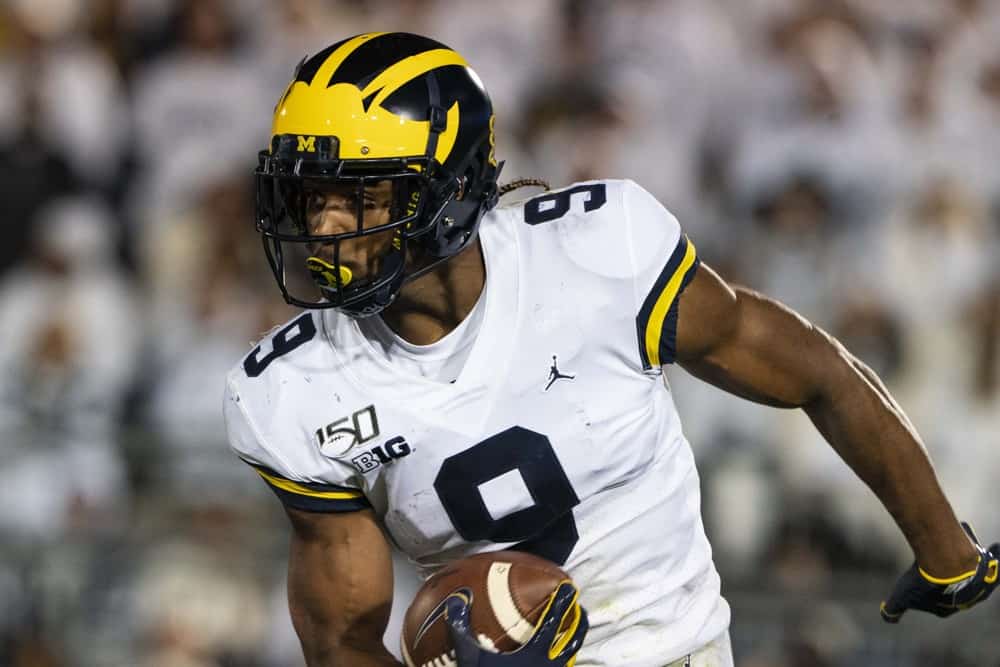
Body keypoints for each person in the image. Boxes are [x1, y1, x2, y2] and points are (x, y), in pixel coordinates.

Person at [223, 32, 999, 667]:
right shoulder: (297, 390)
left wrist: (945, 548)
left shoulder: (597, 252)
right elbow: (342, 642)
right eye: (307, 197)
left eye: (356, 196)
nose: (323, 229)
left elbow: (821, 375)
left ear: (446, 188)